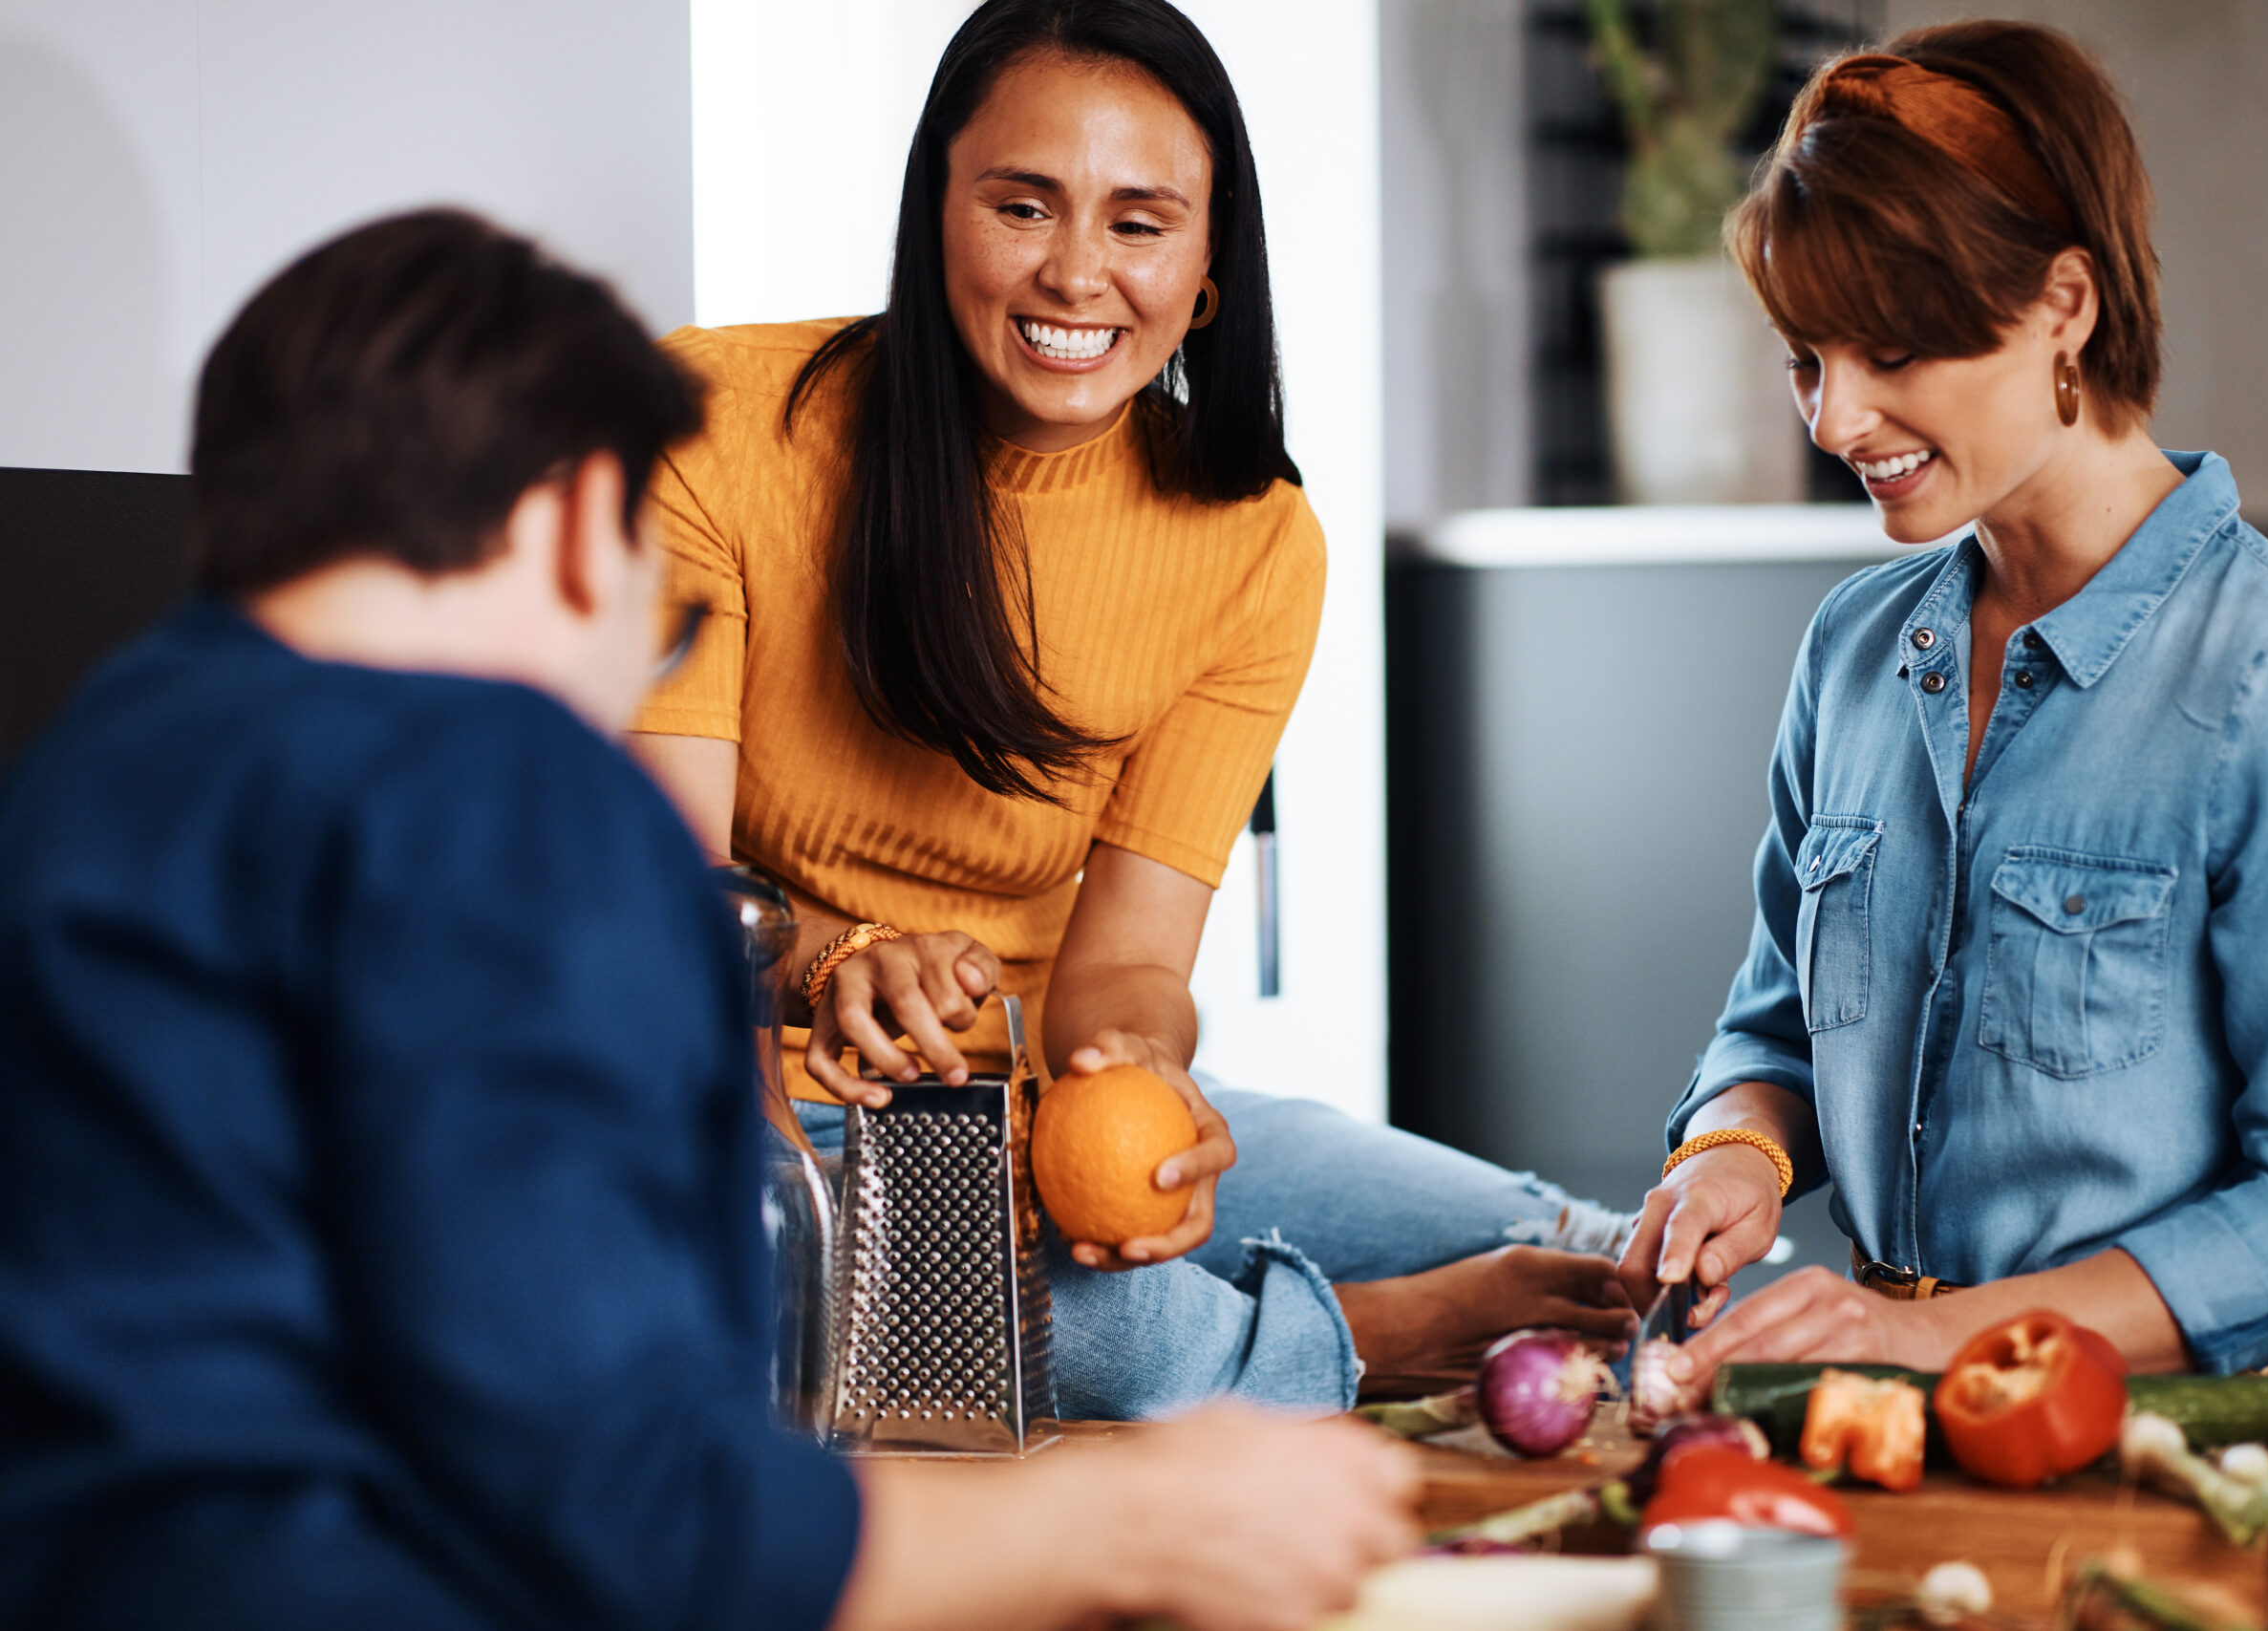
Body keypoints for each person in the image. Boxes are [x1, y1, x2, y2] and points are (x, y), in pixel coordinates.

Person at [0, 208, 1419, 1631]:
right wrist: (1131, 1521)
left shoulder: (87, 769)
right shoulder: (493, 789)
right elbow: (624, 1510)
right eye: (657, 618)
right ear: (570, 526)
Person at [631, 0, 1636, 1416]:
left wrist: (1133, 1073)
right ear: (938, 213)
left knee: (1583, 1264)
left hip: (1035, 1116)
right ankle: (1364, 1340)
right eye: (1023, 206)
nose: (1075, 273)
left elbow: (1129, 963)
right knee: (1057, 1331)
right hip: (765, 1103)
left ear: (1210, 260)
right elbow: (658, 909)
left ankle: (1286, 1321)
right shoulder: (716, 427)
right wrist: (834, 962)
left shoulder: (1252, 538)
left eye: (1139, 221)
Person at [1615, 21, 2268, 1392]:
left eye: (1890, 350)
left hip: (2168, 1458)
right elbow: (1775, 1027)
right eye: (1805, 357)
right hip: (1885, 1431)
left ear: (2066, 304)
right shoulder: (1854, 651)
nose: (1833, 420)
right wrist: (1733, 1154)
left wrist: (1929, 1333)